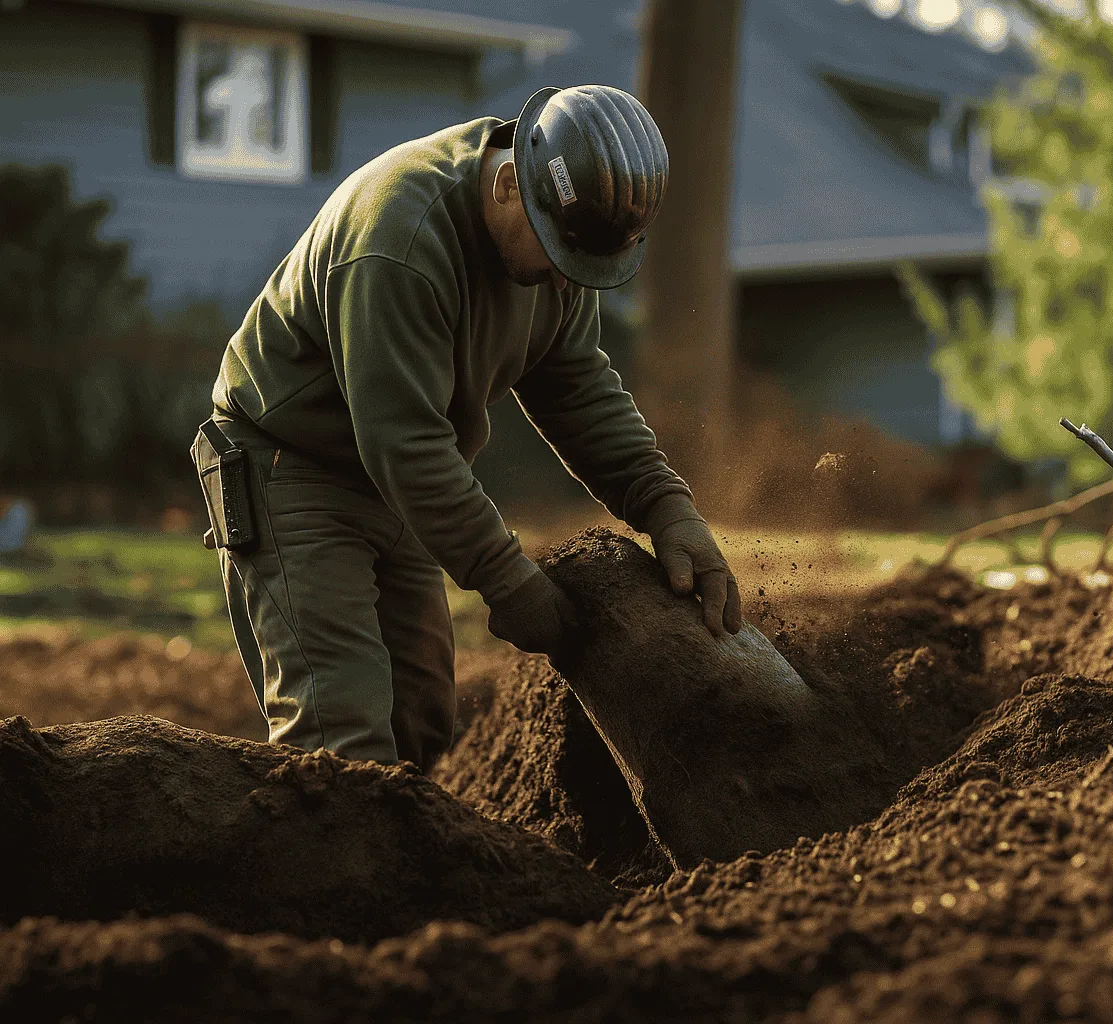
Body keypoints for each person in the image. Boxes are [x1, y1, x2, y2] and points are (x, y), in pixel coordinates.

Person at [192, 85, 741, 772]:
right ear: (510, 181)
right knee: (344, 740)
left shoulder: (561, 243)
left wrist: (667, 507)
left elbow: (576, 388)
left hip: (398, 477)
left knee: (418, 722)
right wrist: (507, 580)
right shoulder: (399, 238)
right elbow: (406, 444)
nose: (557, 278)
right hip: (291, 467)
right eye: (555, 254)